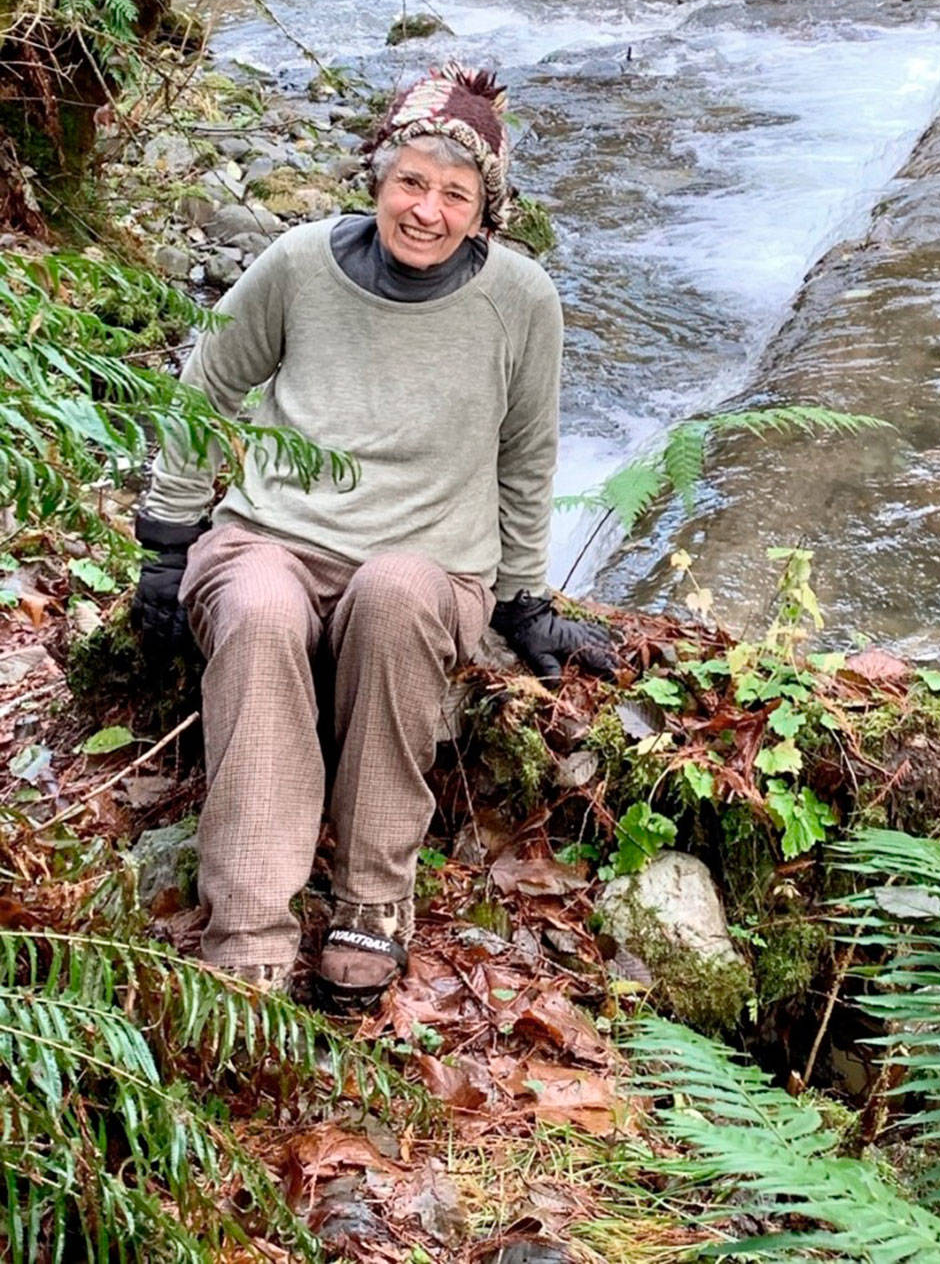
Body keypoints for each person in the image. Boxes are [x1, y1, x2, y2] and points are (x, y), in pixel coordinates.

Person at [131, 63, 615, 1011]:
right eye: (410, 182)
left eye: (455, 193)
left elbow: (527, 456)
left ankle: (372, 899)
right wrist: (166, 538)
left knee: (394, 597)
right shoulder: (299, 264)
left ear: (486, 211)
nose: (426, 209)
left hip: (429, 560)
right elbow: (207, 387)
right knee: (262, 610)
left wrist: (524, 599)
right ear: (378, 179)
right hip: (271, 535)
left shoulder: (522, 301)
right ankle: (250, 926)